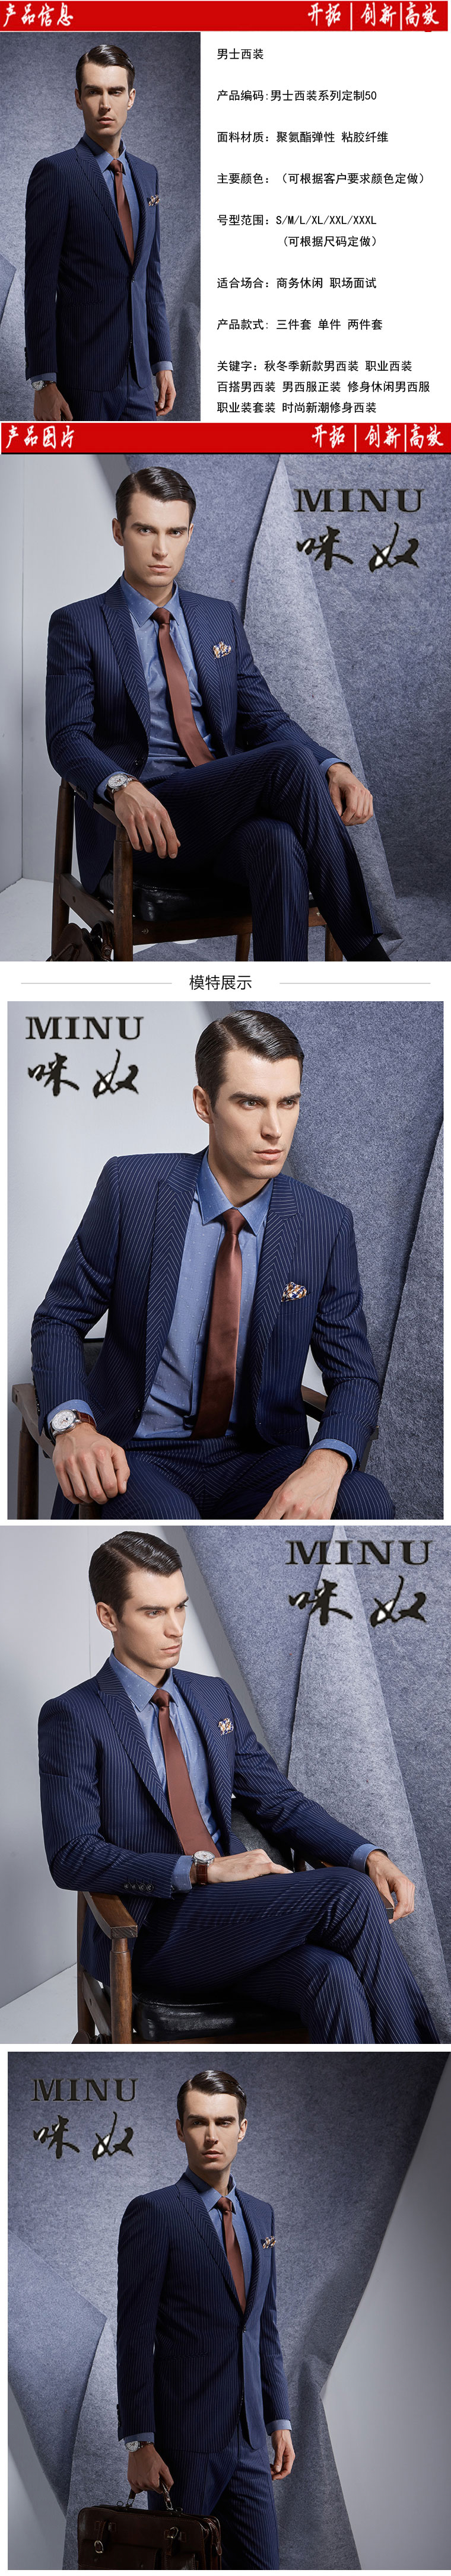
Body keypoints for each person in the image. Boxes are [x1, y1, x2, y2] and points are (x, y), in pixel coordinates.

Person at [38, 1529, 439, 2044]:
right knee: (347, 1892)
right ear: (108, 1616)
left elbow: (280, 1803)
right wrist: (202, 1870)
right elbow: (72, 1855)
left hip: (240, 1916)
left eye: (180, 1607)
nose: (175, 1628)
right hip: (154, 1931)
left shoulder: (212, 1697)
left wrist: (370, 1855)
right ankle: (424, 2053)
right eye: (154, 1612)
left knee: (333, 1977)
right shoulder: (74, 1715)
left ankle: (384, 2077)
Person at [31, 1008, 394, 1524]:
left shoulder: (325, 1223)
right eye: (250, 1102)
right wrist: (73, 1425)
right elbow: (59, 1318)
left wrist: (327, 1461)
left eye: (288, 1102)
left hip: (260, 1456)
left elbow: (354, 1374)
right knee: (171, 1514)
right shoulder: (132, 1189)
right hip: (139, 1452)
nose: (274, 1129)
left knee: (366, 1500)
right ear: (205, 1104)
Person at [45, 464, 388, 961]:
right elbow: (67, 737)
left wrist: (333, 765)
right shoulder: (79, 623)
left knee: (278, 842)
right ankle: (368, 954)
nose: (161, 550)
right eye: (145, 530)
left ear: (190, 534)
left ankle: (280, 997)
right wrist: (120, 785)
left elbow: (266, 719)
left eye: (174, 532)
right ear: (119, 531)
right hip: (145, 820)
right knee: (289, 762)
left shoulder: (217, 617)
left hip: (221, 809)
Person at [116, 2067, 294, 2572]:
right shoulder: (154, 2212)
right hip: (183, 2447)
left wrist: (279, 2419)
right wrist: (140, 2441)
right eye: (198, 2122)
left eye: (223, 2121)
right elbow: (134, 2336)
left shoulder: (261, 2215)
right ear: (180, 2129)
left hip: (252, 2443)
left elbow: (263, 2328)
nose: (211, 2135)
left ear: (243, 2128)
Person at [24, 46, 175, 424]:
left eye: (115, 91)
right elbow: (40, 285)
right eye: (94, 92)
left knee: (142, 467)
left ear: (131, 98)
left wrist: (162, 361)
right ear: (79, 99)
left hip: (140, 381)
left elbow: (149, 277)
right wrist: (44, 382)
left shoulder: (147, 176)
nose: (105, 104)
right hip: (81, 383)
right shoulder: (56, 173)